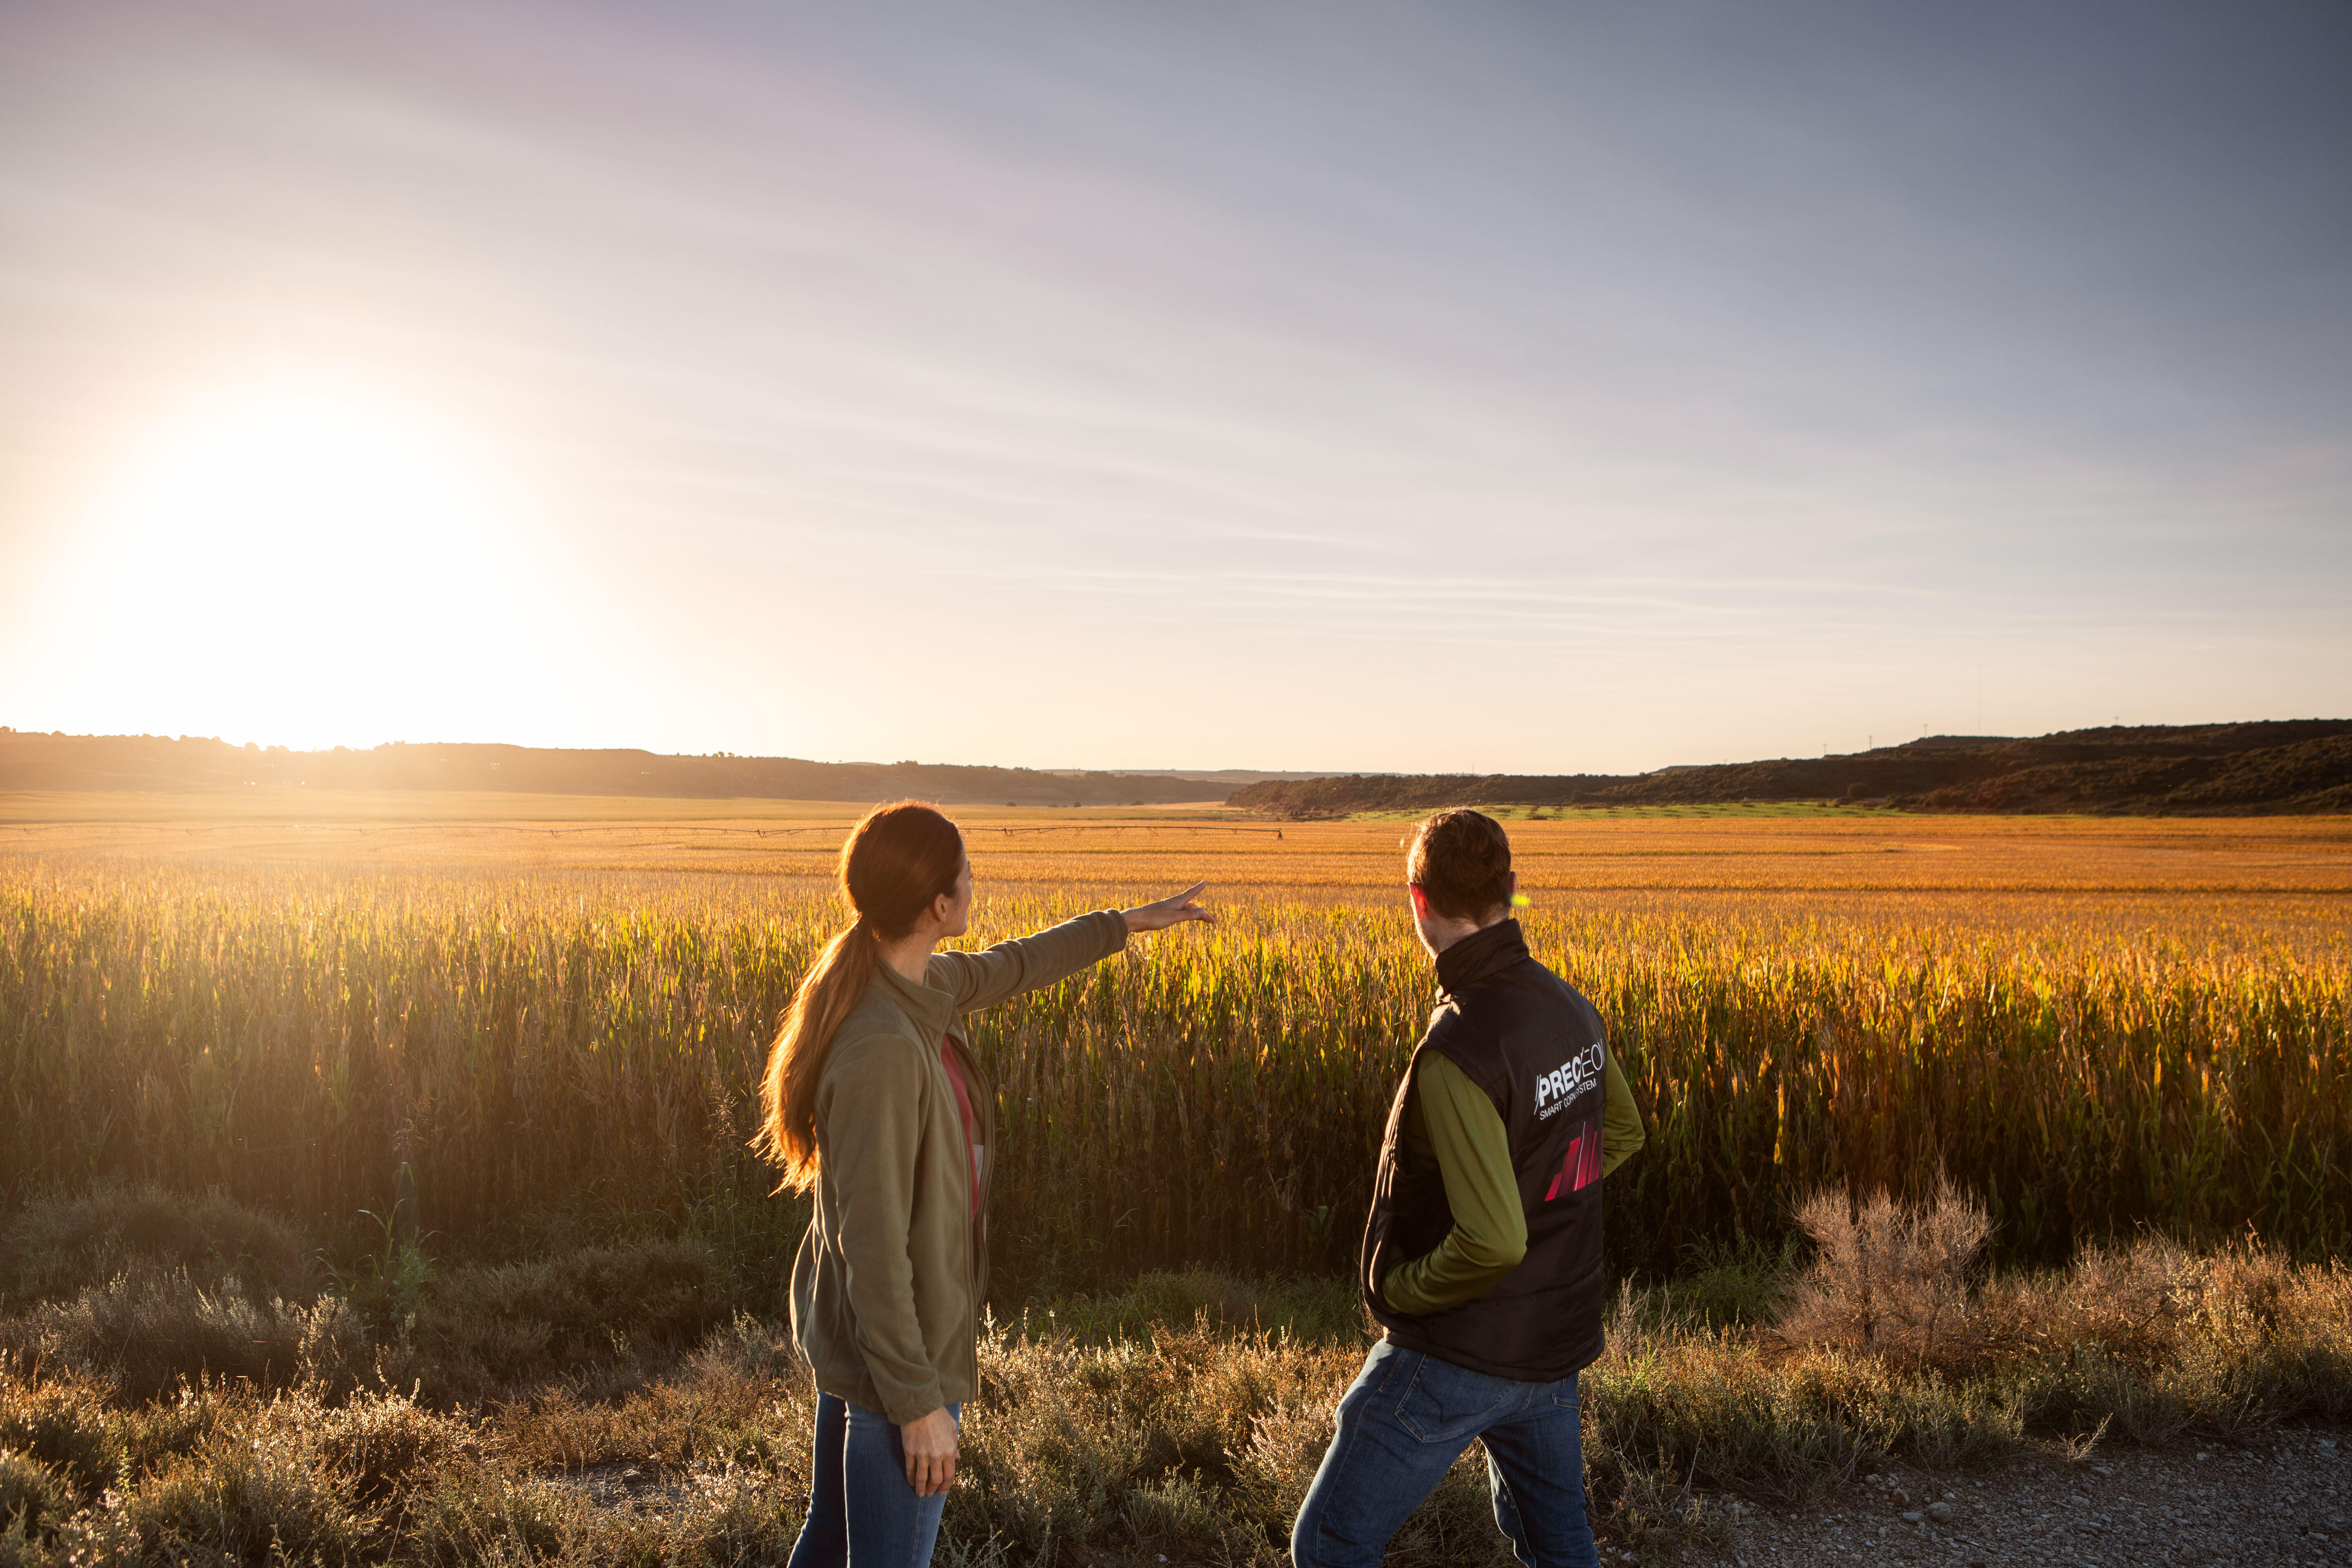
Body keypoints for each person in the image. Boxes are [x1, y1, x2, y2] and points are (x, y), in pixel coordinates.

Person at [758, 800, 1211, 1568]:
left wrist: (1124, 924)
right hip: (895, 1364)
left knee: (832, 1544)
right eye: (968, 874)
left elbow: (1016, 963)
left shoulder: (914, 984)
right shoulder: (883, 1049)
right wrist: (918, 1405)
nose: (976, 883)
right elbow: (870, 1247)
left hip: (867, 1348)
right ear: (940, 905)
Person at [1291, 808, 1646, 1568]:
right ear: (1511, 890)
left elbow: (1494, 1240)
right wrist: (1540, 1195)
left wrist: (1408, 1291)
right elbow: (1621, 1134)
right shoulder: (1570, 1008)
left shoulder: (1458, 1049)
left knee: (1329, 1544)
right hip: (1551, 1345)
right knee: (1557, 1543)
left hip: (1458, 1348)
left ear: (1416, 900)